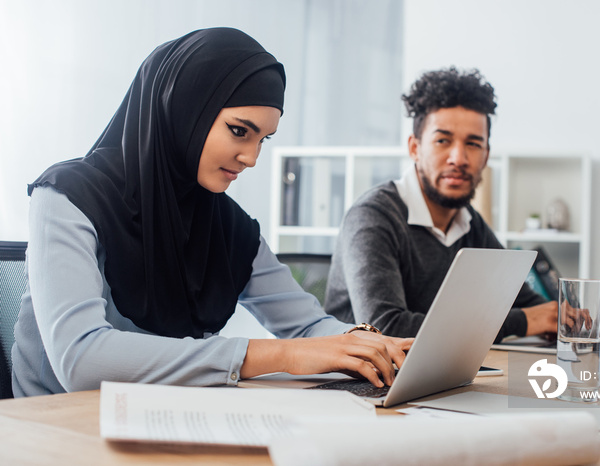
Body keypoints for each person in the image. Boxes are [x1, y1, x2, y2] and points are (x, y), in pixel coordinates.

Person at [11, 28, 412, 398]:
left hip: (167, 420)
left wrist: (378, 347)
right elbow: (81, 360)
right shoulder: (66, 196)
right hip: (55, 428)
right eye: (240, 131)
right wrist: (281, 356)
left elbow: (308, 326)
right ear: (185, 109)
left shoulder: (227, 227)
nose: (251, 158)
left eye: (263, 139)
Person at [324, 67, 558, 341]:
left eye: (473, 144)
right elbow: (385, 328)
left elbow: (525, 302)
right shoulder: (373, 216)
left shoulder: (469, 224)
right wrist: (521, 322)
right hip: (357, 381)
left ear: (485, 156)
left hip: (438, 375)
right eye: (443, 141)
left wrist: (564, 316)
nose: (458, 158)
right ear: (414, 148)